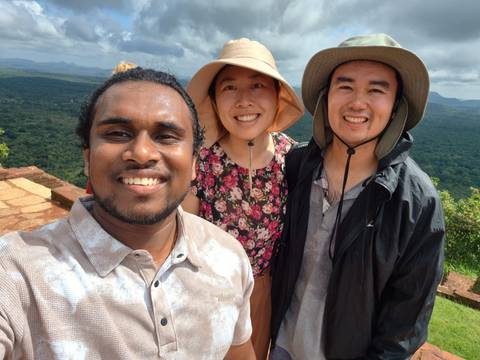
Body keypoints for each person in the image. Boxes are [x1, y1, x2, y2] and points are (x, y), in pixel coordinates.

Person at [0, 68, 256, 359]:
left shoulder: (228, 257)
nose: (142, 152)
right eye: (118, 133)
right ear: (87, 157)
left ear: (195, 163)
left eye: (167, 136)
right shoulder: (17, 272)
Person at [270, 34, 445, 359]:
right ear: (326, 97)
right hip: (277, 346)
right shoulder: (295, 168)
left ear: (396, 107)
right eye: (345, 86)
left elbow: (404, 326)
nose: (357, 102)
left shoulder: (416, 203)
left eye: (376, 90)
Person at [183, 38, 304, 359]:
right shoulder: (202, 162)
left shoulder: (291, 157)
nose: (244, 100)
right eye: (229, 87)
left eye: (258, 86)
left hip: (262, 295)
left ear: (277, 97)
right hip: (204, 296)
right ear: (213, 99)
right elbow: (180, 239)